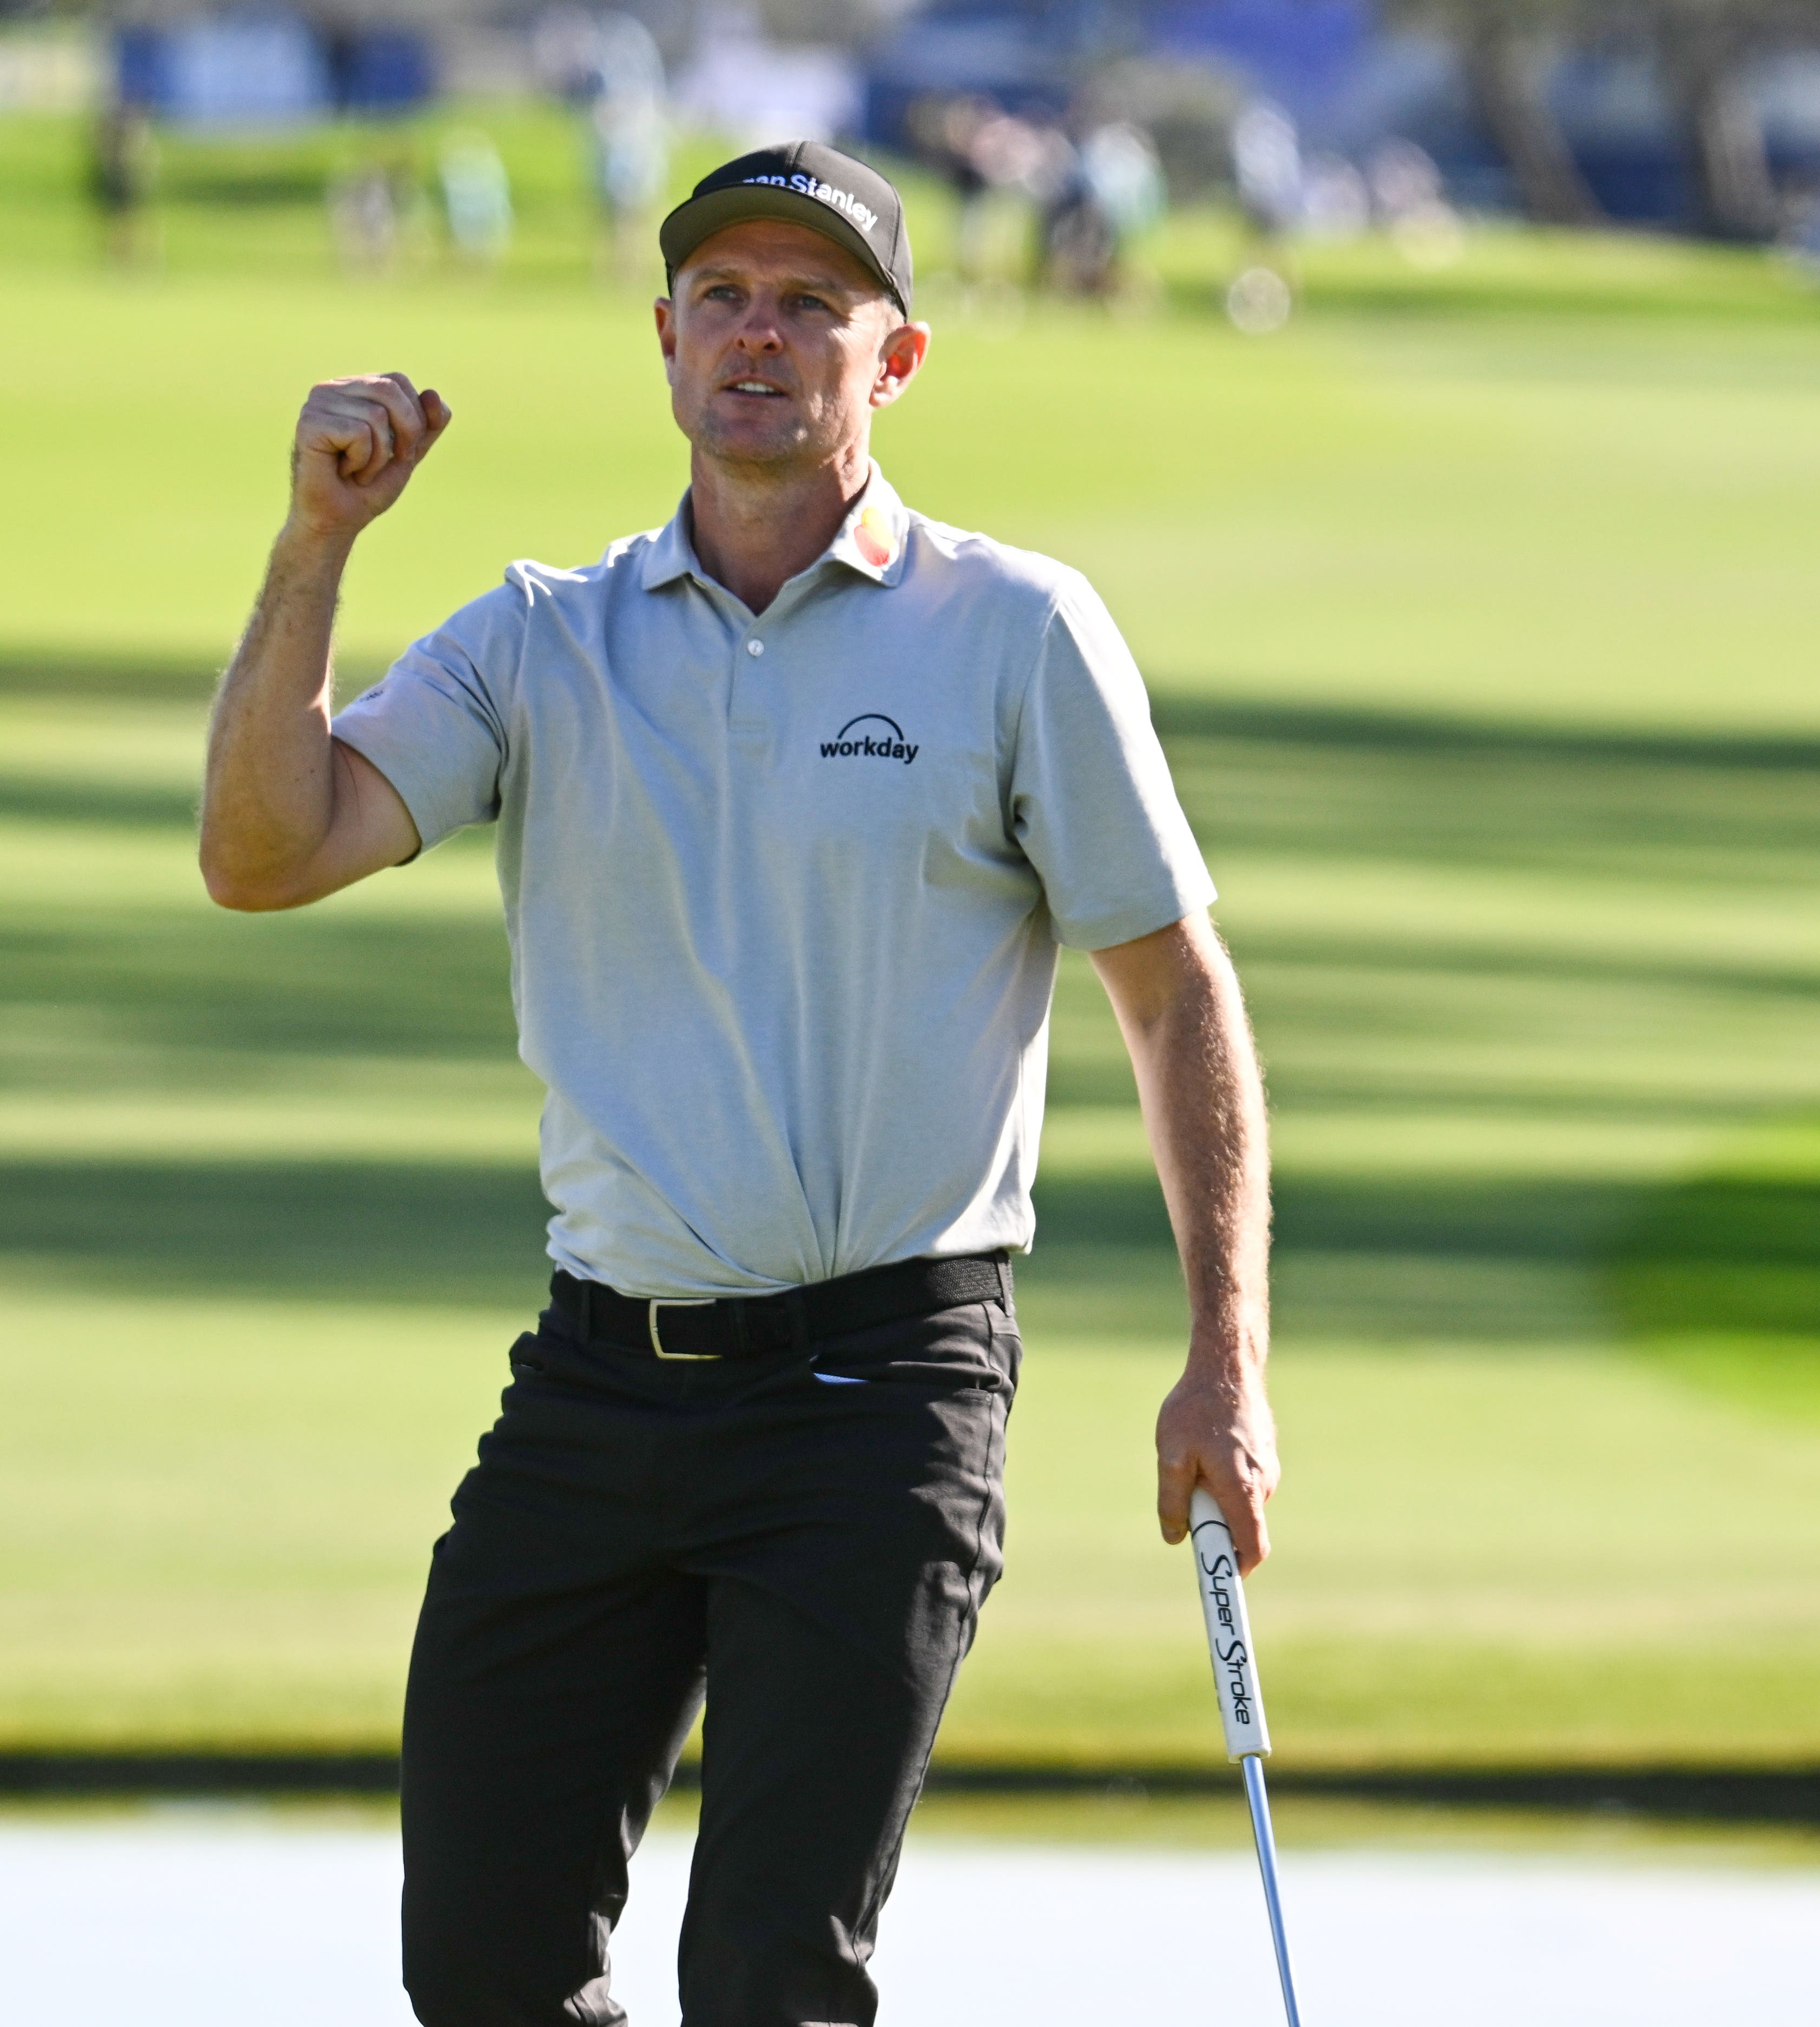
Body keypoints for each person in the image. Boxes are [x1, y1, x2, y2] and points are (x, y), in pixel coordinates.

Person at [199, 141, 1278, 2027]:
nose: (758, 337)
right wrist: (316, 547)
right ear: (666, 337)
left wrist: (1225, 1356)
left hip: (884, 1387)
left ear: (900, 358)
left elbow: (1176, 990)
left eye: (808, 305)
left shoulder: (1014, 631)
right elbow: (263, 853)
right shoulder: (545, 639)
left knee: (773, 1975)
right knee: (482, 1965)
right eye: (723, 299)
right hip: (599, 1381)